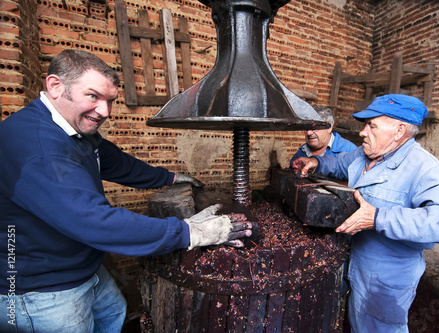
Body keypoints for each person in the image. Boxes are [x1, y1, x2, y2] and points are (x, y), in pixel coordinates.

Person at [0, 49, 252, 332]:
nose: (104, 112)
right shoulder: (40, 150)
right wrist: (190, 233)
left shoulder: (74, 130)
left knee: (113, 315)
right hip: (43, 288)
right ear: (56, 86)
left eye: (110, 101)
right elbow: (96, 223)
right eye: (93, 96)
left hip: (82, 268)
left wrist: (169, 177)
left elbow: (115, 162)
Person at [292, 94, 439, 332]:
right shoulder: (365, 154)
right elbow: (341, 162)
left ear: (399, 130)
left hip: (387, 281)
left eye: (371, 125)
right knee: (358, 323)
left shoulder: (423, 167)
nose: (362, 132)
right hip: (356, 267)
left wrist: (378, 218)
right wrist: (317, 164)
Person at [289, 104, 357, 168]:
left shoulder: (350, 151)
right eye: (306, 127)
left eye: (314, 128)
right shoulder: (302, 151)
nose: (309, 133)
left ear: (329, 127)